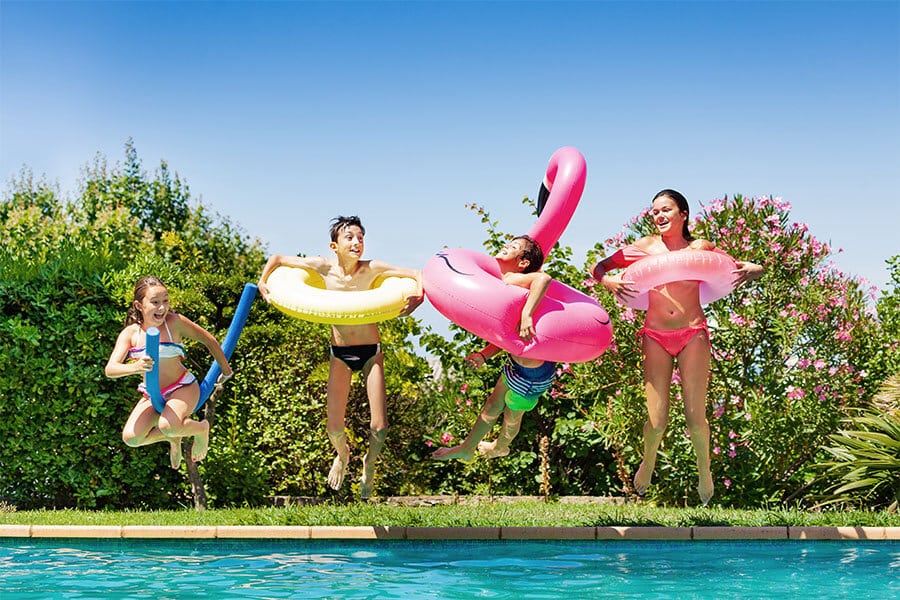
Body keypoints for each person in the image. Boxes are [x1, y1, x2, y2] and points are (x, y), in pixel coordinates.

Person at [590, 189, 763, 504]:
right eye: (654, 211)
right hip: (655, 335)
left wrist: (753, 269)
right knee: (656, 421)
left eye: (666, 209)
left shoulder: (700, 248)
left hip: (692, 333)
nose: (658, 215)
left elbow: (742, 267)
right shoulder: (643, 248)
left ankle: (704, 471)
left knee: (696, 417)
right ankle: (648, 461)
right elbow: (599, 267)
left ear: (683, 214)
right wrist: (609, 282)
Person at [257, 215, 424, 499]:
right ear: (334, 246)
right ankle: (343, 455)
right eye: (349, 237)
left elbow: (416, 274)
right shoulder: (323, 268)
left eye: (360, 237)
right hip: (340, 353)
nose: (356, 242)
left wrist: (418, 296)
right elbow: (277, 259)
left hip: (370, 352)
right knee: (333, 425)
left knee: (380, 427)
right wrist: (262, 283)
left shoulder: (371, 270)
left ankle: (368, 465)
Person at [431, 235, 555, 462]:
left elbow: (544, 279)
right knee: (492, 406)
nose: (506, 245)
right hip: (517, 366)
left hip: (533, 374)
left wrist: (527, 314)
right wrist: (484, 355)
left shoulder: (515, 279)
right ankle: (467, 448)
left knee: (512, 416)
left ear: (523, 262)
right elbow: (507, 335)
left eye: (514, 246)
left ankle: (501, 446)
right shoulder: (505, 285)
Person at [105, 276, 233, 468]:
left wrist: (226, 370)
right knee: (131, 438)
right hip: (152, 393)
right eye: (155, 302)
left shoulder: (174, 323)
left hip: (182, 387)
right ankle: (173, 438)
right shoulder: (131, 334)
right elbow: (110, 369)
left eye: (166, 301)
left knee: (168, 425)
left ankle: (201, 429)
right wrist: (135, 367)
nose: (162, 307)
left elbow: (210, 341)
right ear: (139, 305)